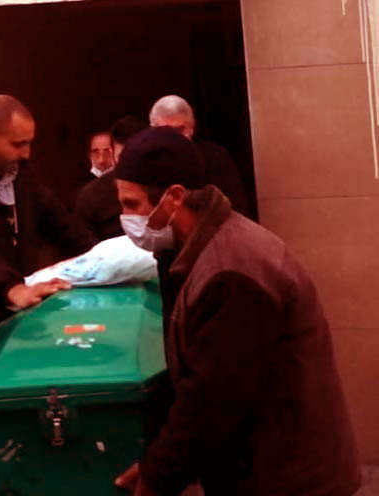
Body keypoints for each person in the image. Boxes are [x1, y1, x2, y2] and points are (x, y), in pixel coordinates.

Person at [113, 126, 361, 495]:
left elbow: (211, 400)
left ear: (175, 197)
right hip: (264, 465)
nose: (125, 217)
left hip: (287, 478)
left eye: (132, 205)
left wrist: (156, 476)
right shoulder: (192, 252)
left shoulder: (232, 273)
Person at [0, 94, 96, 308]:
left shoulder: (21, 172)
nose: (26, 154)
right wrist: (10, 288)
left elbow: (61, 224)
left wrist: (102, 258)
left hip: (19, 303)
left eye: (28, 143)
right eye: (18, 144)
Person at [149, 95, 251, 217]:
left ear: (191, 127)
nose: (172, 138)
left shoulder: (215, 157)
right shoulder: (145, 160)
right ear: (152, 131)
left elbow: (235, 210)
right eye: (164, 132)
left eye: (178, 131)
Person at [74, 115, 147, 241]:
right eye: (123, 158)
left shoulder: (165, 189)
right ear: (113, 154)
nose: (130, 166)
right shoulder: (91, 196)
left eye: (136, 158)